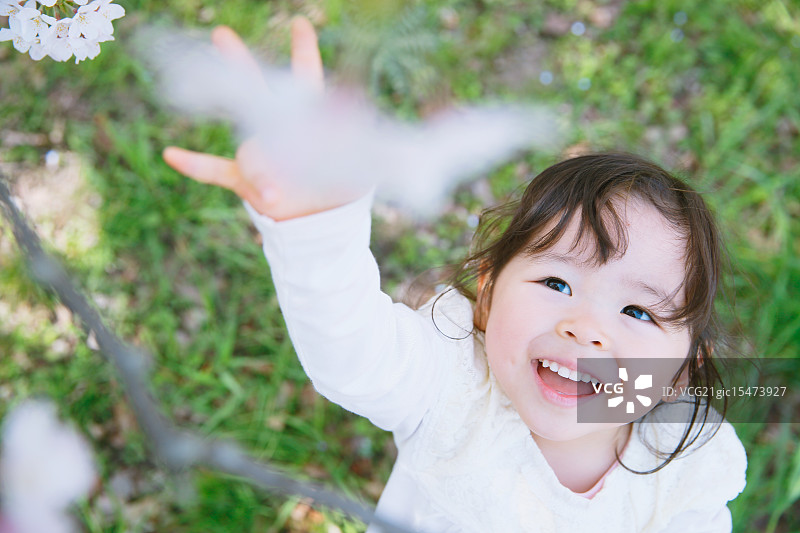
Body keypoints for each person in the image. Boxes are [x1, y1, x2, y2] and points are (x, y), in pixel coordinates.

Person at [163, 17, 747, 533]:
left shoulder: (687, 473)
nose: (585, 328)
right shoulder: (449, 383)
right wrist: (317, 226)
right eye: (557, 284)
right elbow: (351, 353)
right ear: (487, 294)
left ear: (681, 372)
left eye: (638, 312)